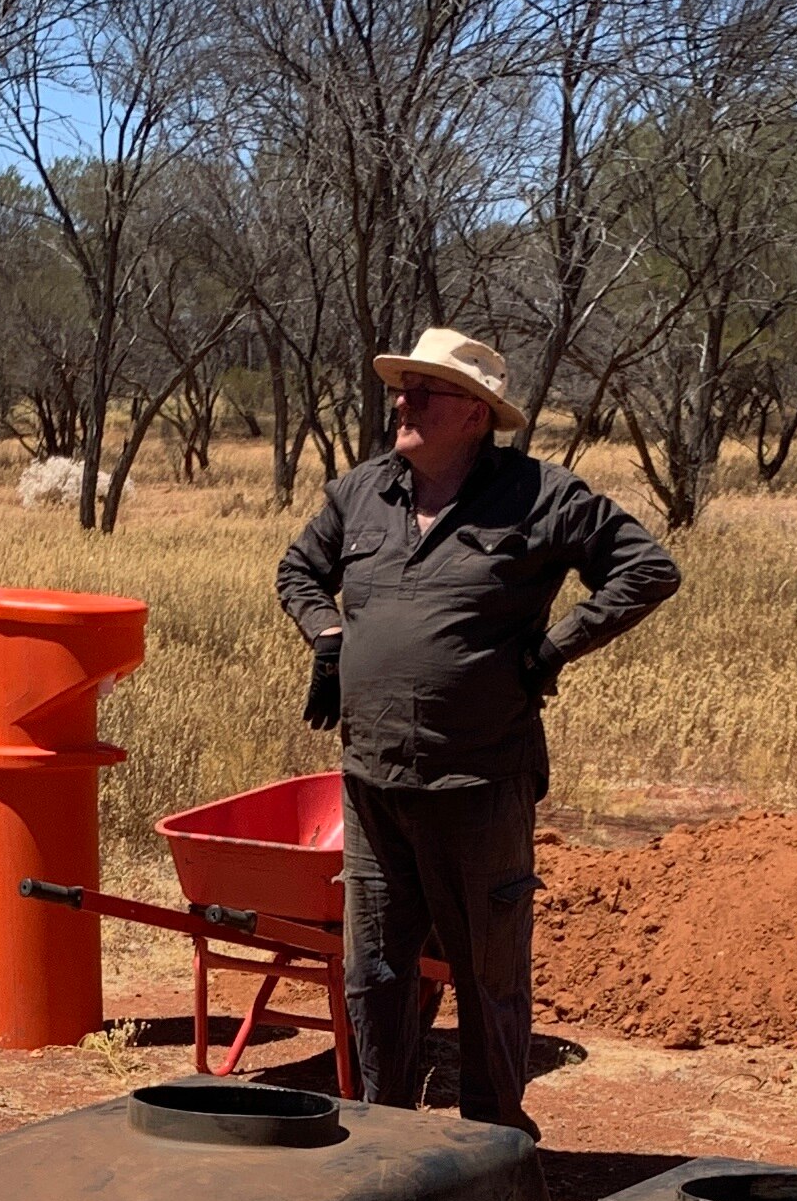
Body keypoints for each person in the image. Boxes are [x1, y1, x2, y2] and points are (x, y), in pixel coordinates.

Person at [277, 327, 680, 1129]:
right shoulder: (360, 494)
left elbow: (648, 568)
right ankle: (379, 1140)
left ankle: (493, 1144)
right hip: (373, 782)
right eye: (401, 388)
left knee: (486, 975)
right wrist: (327, 636)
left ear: (474, 414)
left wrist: (555, 645)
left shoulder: (541, 495)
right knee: (375, 972)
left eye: (423, 391)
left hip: (480, 782)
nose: (402, 402)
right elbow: (298, 570)